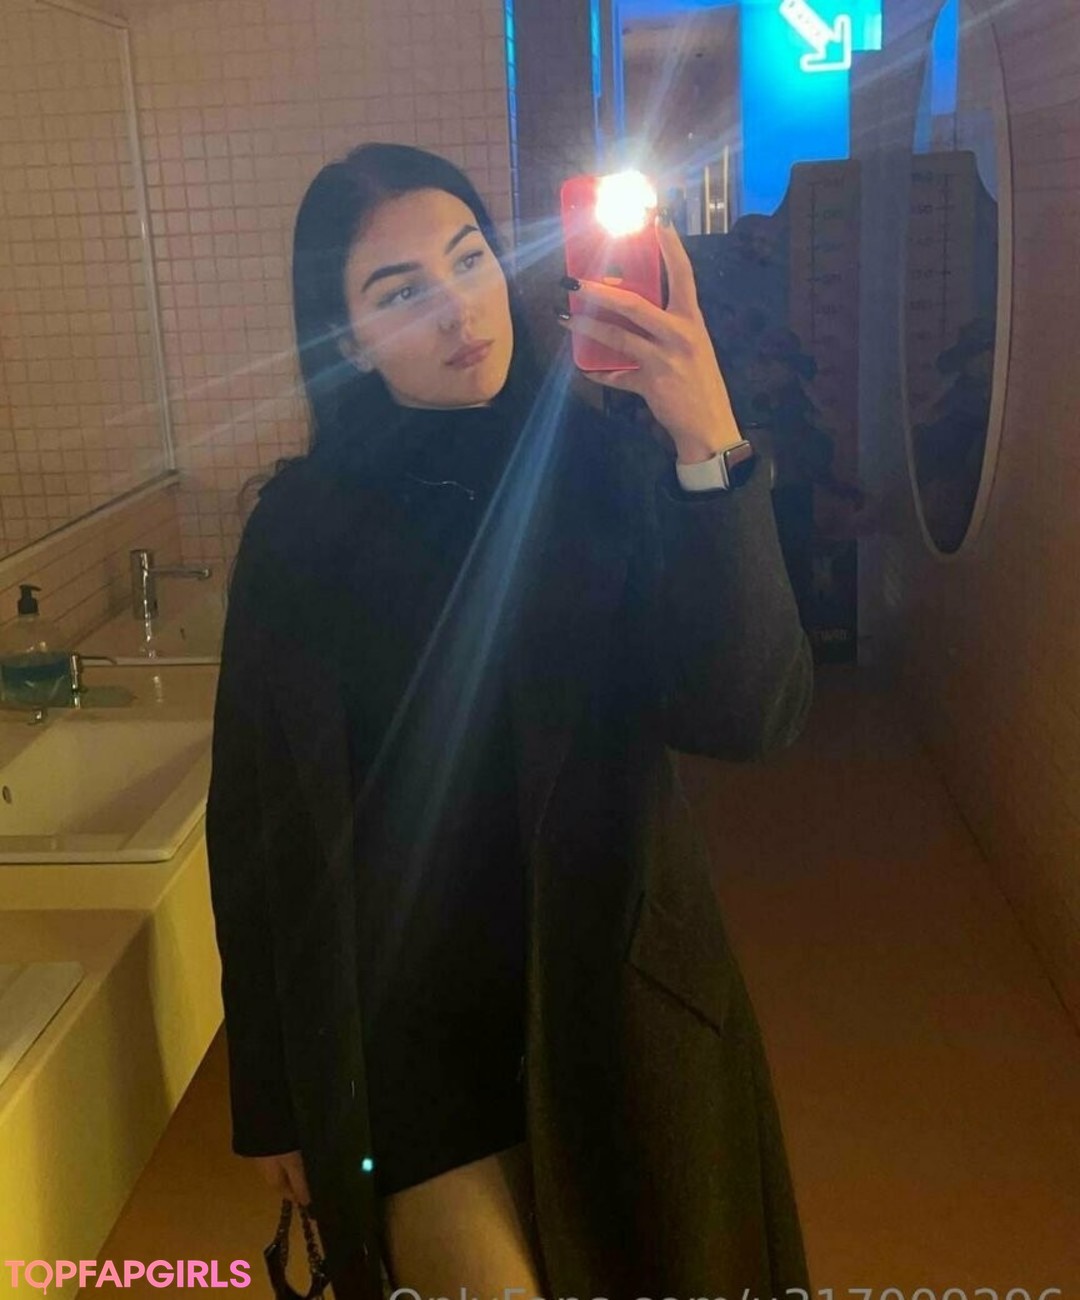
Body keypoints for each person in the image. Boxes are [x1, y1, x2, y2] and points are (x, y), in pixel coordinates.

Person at [205, 142, 815, 1300]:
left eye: (470, 259)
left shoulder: (604, 471)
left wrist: (707, 437)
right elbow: (252, 826)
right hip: (408, 1037)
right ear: (346, 340)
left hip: (614, 1000)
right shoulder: (297, 537)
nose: (458, 311)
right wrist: (273, 1097)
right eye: (400, 293)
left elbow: (752, 709)